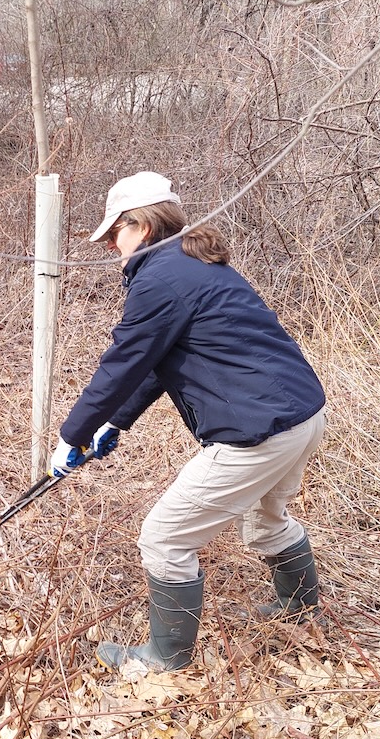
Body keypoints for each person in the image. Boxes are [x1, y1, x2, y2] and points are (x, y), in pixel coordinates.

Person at [50, 171, 327, 674]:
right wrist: (115, 422)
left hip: (258, 431)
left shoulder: (160, 279)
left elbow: (124, 361)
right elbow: (161, 361)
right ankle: (302, 610)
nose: (113, 245)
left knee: (164, 538)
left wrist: (72, 435)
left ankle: (164, 659)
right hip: (302, 415)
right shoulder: (194, 265)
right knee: (265, 520)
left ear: (142, 226)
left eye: (115, 233)